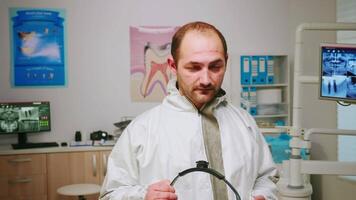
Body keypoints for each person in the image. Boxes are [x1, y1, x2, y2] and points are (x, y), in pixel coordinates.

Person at [100, 21, 278, 200]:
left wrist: (263, 195)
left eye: (215, 66)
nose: (206, 80)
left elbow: (266, 178)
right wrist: (142, 196)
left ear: (226, 62)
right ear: (173, 66)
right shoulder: (141, 130)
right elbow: (110, 194)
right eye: (194, 67)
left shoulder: (244, 122)